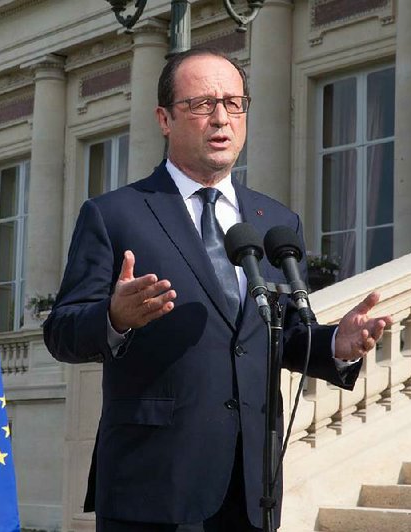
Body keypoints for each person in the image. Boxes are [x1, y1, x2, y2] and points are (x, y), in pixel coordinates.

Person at [43, 48, 392, 531]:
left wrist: (336, 343)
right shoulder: (116, 214)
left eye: (234, 103)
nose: (221, 118)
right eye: (203, 104)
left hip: (250, 486)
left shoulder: (275, 222)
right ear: (164, 118)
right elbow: (61, 331)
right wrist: (114, 316)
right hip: (153, 483)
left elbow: (276, 333)